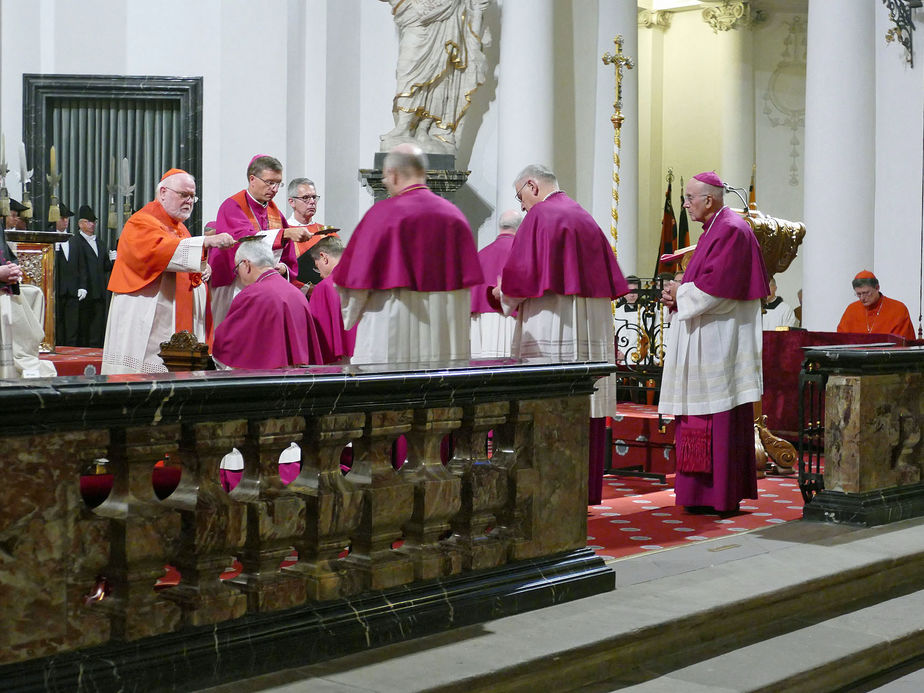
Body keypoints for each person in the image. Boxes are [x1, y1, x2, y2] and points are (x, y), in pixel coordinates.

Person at [491, 164, 629, 505]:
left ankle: (549, 493)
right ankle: (585, 490)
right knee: (585, 406)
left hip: (554, 323)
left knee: (548, 408)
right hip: (592, 325)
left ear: (532, 186)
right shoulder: (584, 216)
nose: (522, 206)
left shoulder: (540, 217)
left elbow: (521, 276)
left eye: (520, 196)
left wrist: (500, 294)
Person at [658, 171, 770, 515]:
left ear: (710, 199)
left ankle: (717, 495)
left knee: (717, 419)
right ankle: (698, 494)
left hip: (719, 342)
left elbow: (718, 289)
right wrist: (679, 295)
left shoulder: (732, 230)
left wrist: (681, 293)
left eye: (690, 198)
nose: (686, 204)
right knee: (698, 417)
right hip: (706, 338)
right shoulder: (715, 229)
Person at [331, 143, 482, 364]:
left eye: (384, 177)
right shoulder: (455, 216)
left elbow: (355, 285)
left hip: (392, 330)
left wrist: (350, 314)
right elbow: (465, 284)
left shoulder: (382, 214)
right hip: (444, 334)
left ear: (392, 174)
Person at [102, 169, 234, 374]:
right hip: (147, 313)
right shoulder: (142, 221)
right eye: (184, 195)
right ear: (163, 192)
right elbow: (158, 251)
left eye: (192, 196)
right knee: (145, 372)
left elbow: (183, 255)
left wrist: (203, 265)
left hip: (172, 315)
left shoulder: (179, 228)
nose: (189, 201)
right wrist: (206, 242)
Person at [208, 155, 310, 326]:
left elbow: (287, 255)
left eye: (278, 183)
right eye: (270, 182)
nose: (275, 189)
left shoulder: (275, 212)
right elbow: (244, 240)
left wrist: (283, 268)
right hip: (233, 285)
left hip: (264, 286)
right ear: (252, 179)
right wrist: (284, 234)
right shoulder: (233, 205)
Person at [378, 0, 491, 154]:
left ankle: (424, 128)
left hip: (448, 11)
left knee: (442, 74)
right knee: (407, 70)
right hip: (415, 13)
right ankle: (403, 126)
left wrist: (476, 8)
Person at [212, 240, 322, 369]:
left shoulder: (252, 295)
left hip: (264, 378)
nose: (239, 276)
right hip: (295, 378)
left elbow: (227, 341)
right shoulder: (296, 293)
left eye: (237, 269)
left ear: (246, 264)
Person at [470, 209, 520, 360]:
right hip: (511, 319)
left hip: (482, 325)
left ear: (500, 227)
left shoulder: (481, 255)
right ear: (520, 228)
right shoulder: (521, 253)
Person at [307, 235, 356, 365]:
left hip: (338, 365)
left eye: (317, 266)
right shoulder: (365, 279)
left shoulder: (324, 287)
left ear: (324, 257)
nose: (320, 274)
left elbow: (319, 337)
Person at [72, 205, 113, 347]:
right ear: (81, 223)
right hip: (85, 291)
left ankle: (96, 351)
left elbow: (105, 267)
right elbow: (74, 267)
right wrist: (79, 286)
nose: (92, 225)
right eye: (89, 222)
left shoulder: (100, 243)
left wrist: (114, 260)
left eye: (94, 222)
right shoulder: (75, 242)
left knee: (98, 325)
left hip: (99, 291)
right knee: (84, 325)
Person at [286, 177, 337, 287]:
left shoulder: (328, 233)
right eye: (305, 198)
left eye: (314, 197)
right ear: (292, 202)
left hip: (327, 291)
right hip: (295, 294)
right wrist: (307, 289)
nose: (312, 202)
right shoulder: (284, 233)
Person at [836, 270, 915, 340]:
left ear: (877, 288)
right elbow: (841, 339)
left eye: (866, 293)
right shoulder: (851, 309)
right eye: (858, 294)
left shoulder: (898, 309)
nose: (862, 298)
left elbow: (902, 342)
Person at [52, 203, 81, 345]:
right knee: (57, 322)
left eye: (67, 219)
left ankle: (71, 347)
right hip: (56, 288)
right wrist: (54, 251)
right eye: (62, 218)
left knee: (73, 323)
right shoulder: (49, 238)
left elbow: (81, 265)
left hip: (72, 289)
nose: (65, 221)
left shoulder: (74, 240)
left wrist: (82, 286)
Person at [613, 275, 641, 364]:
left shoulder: (645, 311)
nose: (632, 295)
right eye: (629, 291)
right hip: (621, 354)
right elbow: (615, 335)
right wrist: (620, 352)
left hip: (642, 354)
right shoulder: (617, 312)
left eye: (635, 291)